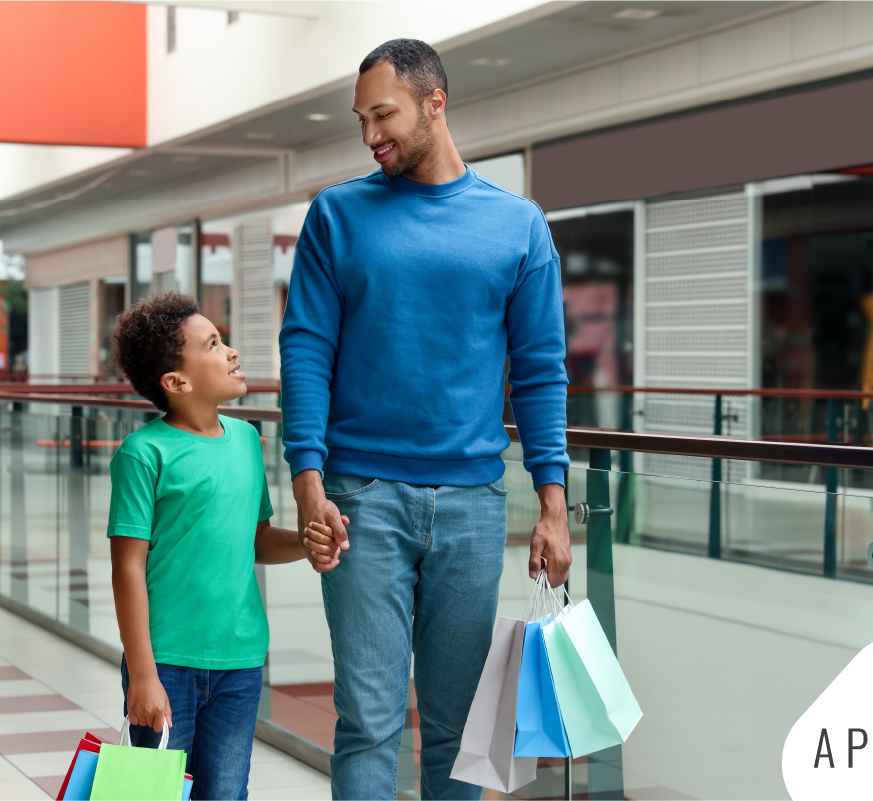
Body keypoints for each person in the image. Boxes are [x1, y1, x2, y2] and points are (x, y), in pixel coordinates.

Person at [279, 38, 571, 801]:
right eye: (360, 119)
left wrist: (552, 507)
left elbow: (540, 372)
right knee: (367, 721)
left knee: (457, 727)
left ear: (434, 103)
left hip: (473, 506)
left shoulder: (517, 226)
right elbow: (305, 350)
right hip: (359, 500)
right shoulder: (337, 216)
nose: (370, 134)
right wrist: (308, 485)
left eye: (384, 114)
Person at [106, 292, 340, 800]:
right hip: (164, 661)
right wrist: (142, 674)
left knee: (226, 793)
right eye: (212, 344)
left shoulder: (247, 440)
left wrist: (306, 542)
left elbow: (255, 538)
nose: (230, 351)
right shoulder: (142, 454)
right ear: (176, 382)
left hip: (239, 660)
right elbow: (127, 569)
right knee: (153, 793)